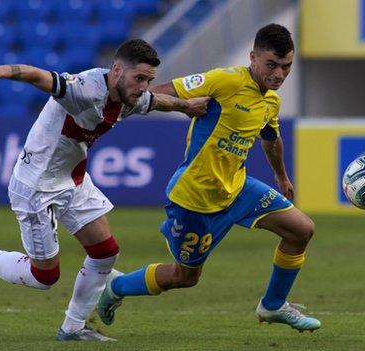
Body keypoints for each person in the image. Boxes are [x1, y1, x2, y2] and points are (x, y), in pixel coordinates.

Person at [0, 39, 209, 341]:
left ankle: (72, 329)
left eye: (149, 80)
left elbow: (159, 102)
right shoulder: (84, 88)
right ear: (117, 70)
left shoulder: (133, 97)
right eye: (139, 79)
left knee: (106, 253)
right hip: (36, 185)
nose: (144, 87)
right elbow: (34, 74)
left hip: (73, 179)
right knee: (44, 277)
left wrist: (188, 107)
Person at [97, 24, 321, 333]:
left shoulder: (271, 100)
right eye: (272, 65)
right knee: (184, 277)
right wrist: (181, 106)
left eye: (286, 67)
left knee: (301, 231)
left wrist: (281, 176)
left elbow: (270, 137)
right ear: (253, 57)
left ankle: (273, 306)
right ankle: (116, 287)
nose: (279, 74)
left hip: (238, 188)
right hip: (195, 198)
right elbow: (157, 92)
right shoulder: (224, 80)